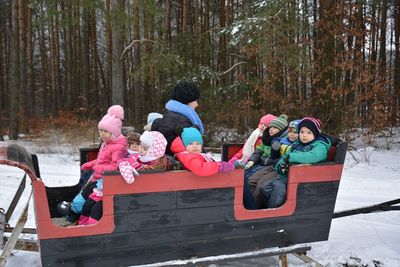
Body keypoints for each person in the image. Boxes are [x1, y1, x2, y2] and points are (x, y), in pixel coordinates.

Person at [56, 105, 127, 225]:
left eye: (105, 131)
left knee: (87, 197)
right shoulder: (107, 143)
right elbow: (101, 160)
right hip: (98, 177)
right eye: (101, 130)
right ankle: (73, 213)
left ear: (114, 132)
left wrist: (98, 168)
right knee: (82, 193)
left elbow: (116, 167)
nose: (102, 134)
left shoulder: (118, 147)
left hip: (106, 180)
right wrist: (89, 164)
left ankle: (74, 215)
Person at [259, 117, 331, 208]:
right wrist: (280, 167)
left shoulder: (320, 145)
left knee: (278, 189)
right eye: (302, 132)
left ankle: (273, 211)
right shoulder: (297, 144)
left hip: (300, 179)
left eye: (309, 132)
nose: (304, 135)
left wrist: (291, 157)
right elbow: (284, 157)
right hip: (285, 176)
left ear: (315, 133)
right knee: (265, 187)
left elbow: (314, 155)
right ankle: (267, 207)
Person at [151, 81, 203, 155]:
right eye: (196, 100)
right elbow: (192, 152)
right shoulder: (183, 123)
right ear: (188, 100)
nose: (197, 104)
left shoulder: (169, 116)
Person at [170, 127, 234, 176]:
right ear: (183, 145)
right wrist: (219, 166)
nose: (195, 146)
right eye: (190, 144)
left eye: (198, 143)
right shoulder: (187, 157)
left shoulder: (191, 154)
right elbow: (200, 168)